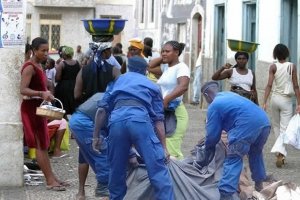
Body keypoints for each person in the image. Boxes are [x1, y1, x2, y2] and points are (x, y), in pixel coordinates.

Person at [93, 56, 174, 200]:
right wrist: (163, 147)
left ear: (129, 68)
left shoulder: (116, 82)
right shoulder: (153, 86)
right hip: (139, 122)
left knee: (116, 170)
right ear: (145, 71)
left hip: (116, 122)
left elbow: (101, 111)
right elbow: (158, 121)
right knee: (157, 169)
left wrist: (95, 136)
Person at [200, 81, 271, 200]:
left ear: (206, 96)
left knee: (233, 158)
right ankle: (259, 186)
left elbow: (212, 137)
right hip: (264, 123)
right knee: (256, 153)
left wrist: (205, 158)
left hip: (246, 126)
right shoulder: (228, 95)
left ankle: (225, 195)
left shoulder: (215, 105)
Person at [72, 42, 120, 198]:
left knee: (84, 154)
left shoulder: (83, 71)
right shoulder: (114, 70)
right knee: (104, 151)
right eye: (109, 51)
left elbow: (76, 95)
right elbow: (121, 90)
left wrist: (89, 97)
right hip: (106, 115)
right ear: (106, 53)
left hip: (87, 111)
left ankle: (81, 191)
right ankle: (105, 187)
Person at [20, 37, 67, 191]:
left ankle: (52, 177)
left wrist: (47, 93)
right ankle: (49, 181)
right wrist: (41, 93)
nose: (46, 53)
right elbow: (23, 89)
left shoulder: (39, 65)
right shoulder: (29, 67)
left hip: (38, 108)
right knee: (40, 146)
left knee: (44, 145)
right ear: (34, 51)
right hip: (31, 109)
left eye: (47, 50)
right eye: (43, 51)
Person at [148, 40, 190, 160]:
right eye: (162, 51)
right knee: (165, 150)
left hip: (175, 112)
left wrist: (166, 100)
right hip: (165, 111)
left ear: (176, 52)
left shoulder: (182, 67)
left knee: (172, 151)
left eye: (167, 51)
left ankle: (180, 176)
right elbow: (150, 66)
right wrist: (164, 57)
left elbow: (183, 86)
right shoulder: (166, 68)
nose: (164, 54)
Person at [263, 43, 300, 168]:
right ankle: (280, 153)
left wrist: (264, 102)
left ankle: (280, 152)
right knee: (285, 127)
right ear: (286, 54)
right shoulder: (292, 67)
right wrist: (299, 103)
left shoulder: (273, 66)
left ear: (275, 54)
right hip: (286, 101)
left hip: (275, 99)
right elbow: (296, 86)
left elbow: (269, 85)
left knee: (276, 126)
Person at [55, 46, 81, 116]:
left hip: (63, 87)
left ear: (65, 54)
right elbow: (80, 75)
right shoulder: (77, 63)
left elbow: (57, 78)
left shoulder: (62, 64)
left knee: (63, 107)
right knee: (73, 106)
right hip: (75, 86)